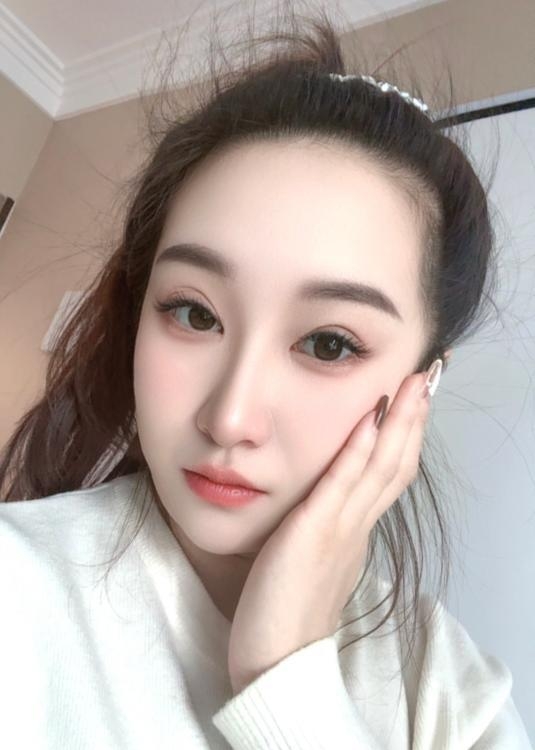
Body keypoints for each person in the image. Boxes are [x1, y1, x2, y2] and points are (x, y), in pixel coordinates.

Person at [0, 2, 531, 748]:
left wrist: (284, 679)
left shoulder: (450, 691)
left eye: (328, 344)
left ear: (422, 386)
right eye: (193, 313)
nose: (230, 417)